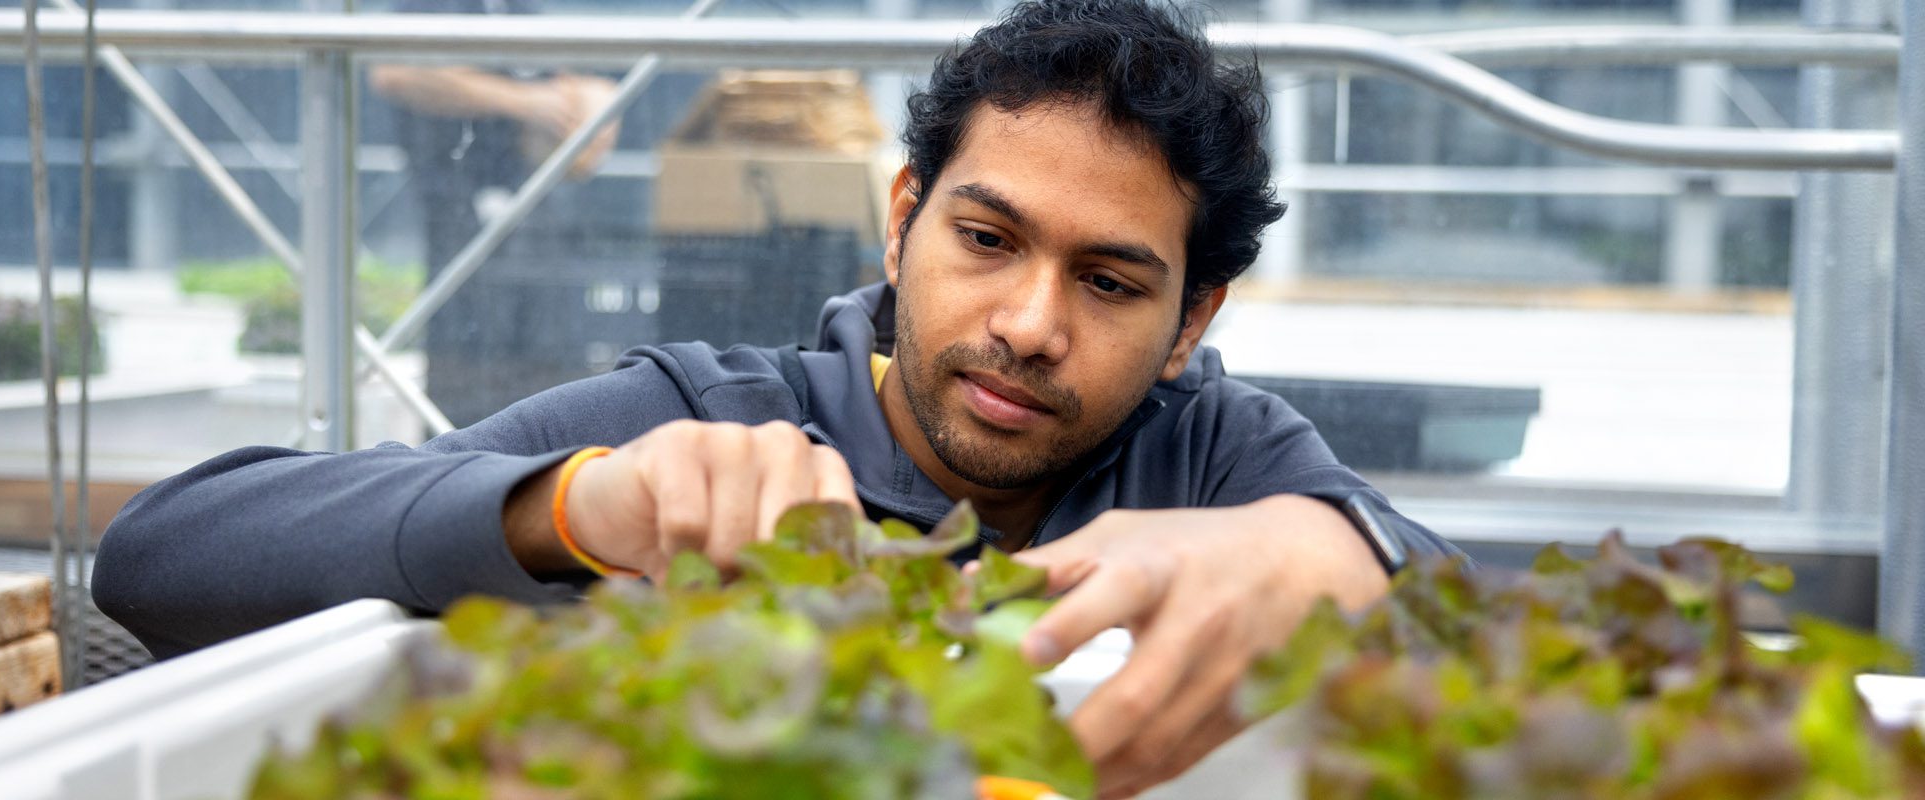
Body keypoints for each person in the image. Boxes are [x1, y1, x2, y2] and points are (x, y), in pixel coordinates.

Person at [94, 0, 1464, 794]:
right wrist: (574, 508)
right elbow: (162, 556)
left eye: (1108, 282)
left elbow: (1504, 633)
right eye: (986, 240)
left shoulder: (1223, 455)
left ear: (1191, 322)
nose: (1028, 325)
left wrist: (1345, 549)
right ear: (902, 223)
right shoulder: (707, 413)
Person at [368, 0, 622, 426]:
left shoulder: (519, 11)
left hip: (540, 228)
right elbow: (393, 70)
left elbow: (565, 103)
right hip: (459, 216)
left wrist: (591, 101)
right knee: (468, 381)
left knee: (550, 370)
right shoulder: (436, 9)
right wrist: (525, 103)